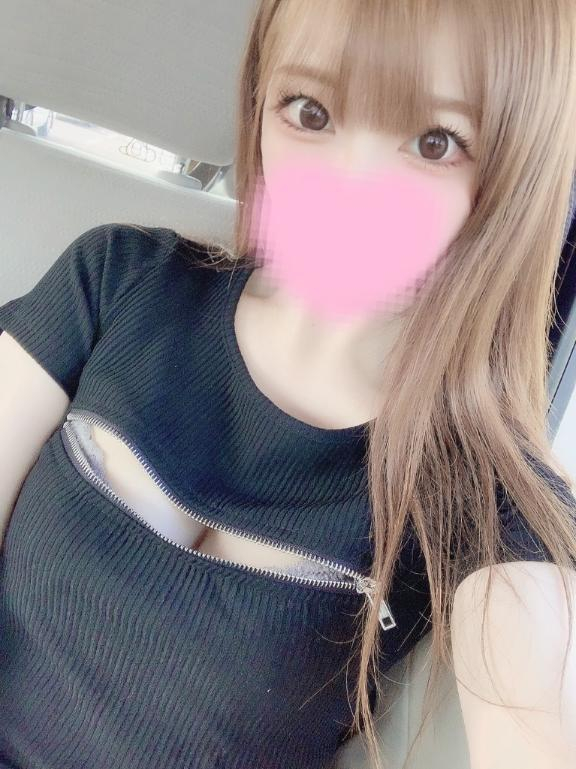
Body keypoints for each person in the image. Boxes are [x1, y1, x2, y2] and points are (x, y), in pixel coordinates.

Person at [1, 1, 576, 768]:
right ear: (259, 102)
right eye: (310, 112)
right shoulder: (117, 278)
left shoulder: (488, 496)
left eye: (434, 141)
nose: (349, 185)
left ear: (513, 172)